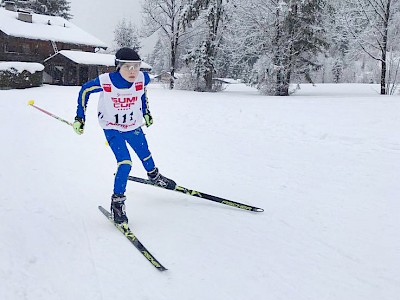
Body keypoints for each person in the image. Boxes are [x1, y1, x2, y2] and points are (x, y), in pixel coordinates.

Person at [73, 47, 176, 226]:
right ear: (118, 67)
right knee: (125, 162)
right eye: (127, 67)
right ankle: (117, 203)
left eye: (136, 66)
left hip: (133, 124)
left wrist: (146, 112)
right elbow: (84, 91)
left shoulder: (142, 79)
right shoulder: (107, 81)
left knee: (145, 152)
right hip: (112, 127)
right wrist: (79, 117)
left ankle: (154, 176)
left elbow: (142, 93)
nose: (133, 71)